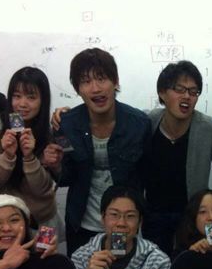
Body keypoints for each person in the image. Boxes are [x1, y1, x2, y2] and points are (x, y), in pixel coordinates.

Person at [143, 60, 212, 255]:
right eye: (179, 89)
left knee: (195, 265)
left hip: (193, 218)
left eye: (193, 92)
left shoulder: (208, 127)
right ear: (162, 92)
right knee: (157, 267)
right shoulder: (147, 122)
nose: (187, 96)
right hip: (154, 216)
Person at [55, 48, 151, 255]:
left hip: (123, 226)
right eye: (86, 81)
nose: (95, 88)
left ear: (115, 81)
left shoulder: (138, 124)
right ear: (77, 89)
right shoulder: (67, 125)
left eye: (101, 78)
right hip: (81, 224)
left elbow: (147, 176)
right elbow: (65, 177)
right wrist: (54, 165)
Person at [0, 67, 64, 237]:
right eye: (16, 96)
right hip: (8, 221)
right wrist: (8, 155)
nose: (22, 104)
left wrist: (30, 157)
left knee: (47, 255)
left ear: (43, 100)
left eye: (31, 97)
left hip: (43, 219)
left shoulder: (50, 132)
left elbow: (43, 189)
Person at [71, 185, 171, 269]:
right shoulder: (81, 256)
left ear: (140, 222)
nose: (121, 223)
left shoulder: (157, 260)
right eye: (114, 214)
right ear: (102, 218)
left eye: (130, 216)